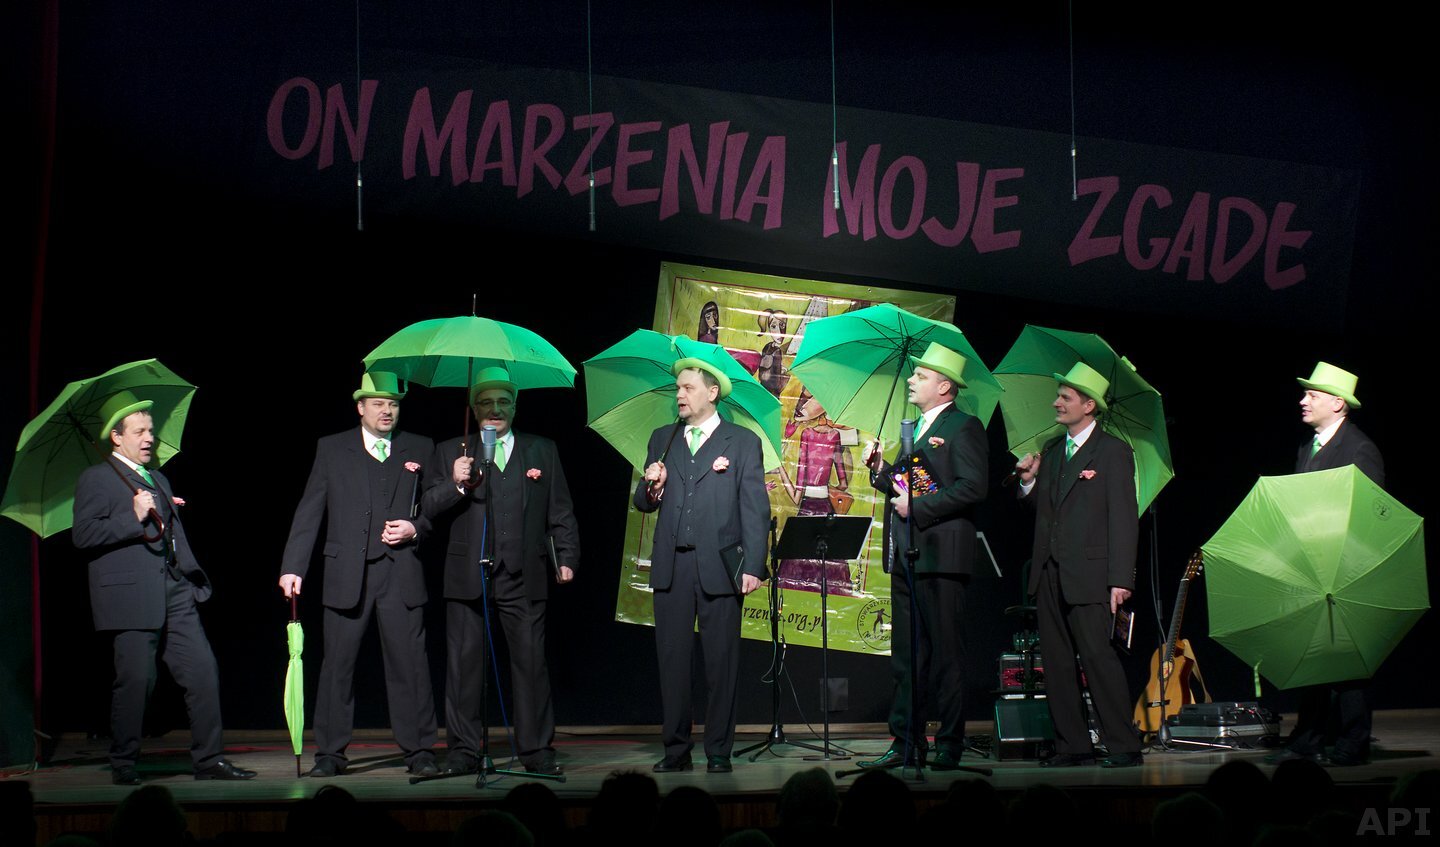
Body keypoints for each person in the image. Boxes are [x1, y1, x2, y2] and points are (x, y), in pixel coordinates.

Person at [72, 392, 255, 784]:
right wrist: (133, 515)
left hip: (174, 588)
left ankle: (209, 760)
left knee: (203, 672)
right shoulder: (96, 478)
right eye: (139, 431)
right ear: (116, 437)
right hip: (131, 596)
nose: (148, 438)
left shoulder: (156, 478)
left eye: (150, 431)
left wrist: (165, 508)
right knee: (137, 681)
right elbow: (84, 535)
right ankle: (123, 762)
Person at [420, 367, 579, 776]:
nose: (495, 409)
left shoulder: (541, 450)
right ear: (474, 409)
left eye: (503, 402)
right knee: (464, 667)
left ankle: (536, 750)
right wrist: (456, 482)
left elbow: (560, 510)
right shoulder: (451, 451)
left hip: (524, 573)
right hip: (467, 574)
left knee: (531, 665)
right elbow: (428, 507)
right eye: (487, 403)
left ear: (515, 407)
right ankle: (463, 750)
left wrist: (566, 556)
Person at [278, 372, 438, 777]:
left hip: (401, 573)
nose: (387, 411)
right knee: (337, 667)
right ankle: (330, 754)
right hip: (347, 573)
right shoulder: (332, 448)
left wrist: (416, 527)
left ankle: (420, 750)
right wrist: (293, 566)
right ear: (360, 407)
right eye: (378, 403)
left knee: (410, 667)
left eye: (393, 404)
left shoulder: (420, 446)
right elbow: (310, 509)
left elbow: (435, 505)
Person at [856, 342, 987, 771]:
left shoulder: (964, 426)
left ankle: (949, 742)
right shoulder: (912, 430)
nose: (911, 380)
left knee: (946, 657)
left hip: (943, 557)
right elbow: (904, 489)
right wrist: (880, 470)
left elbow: (973, 487)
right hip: (908, 557)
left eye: (921, 376)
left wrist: (920, 507)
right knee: (906, 657)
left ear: (944, 386)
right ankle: (906, 742)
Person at [634, 358, 769, 774]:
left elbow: (755, 508)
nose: (679, 394)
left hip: (721, 567)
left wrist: (753, 565)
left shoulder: (741, 442)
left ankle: (718, 751)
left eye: (688, 388)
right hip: (673, 566)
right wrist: (652, 486)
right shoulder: (663, 438)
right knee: (673, 663)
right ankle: (675, 750)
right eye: (678, 388)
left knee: (721, 664)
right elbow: (642, 503)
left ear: (712, 393)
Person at [1014, 361, 1143, 768]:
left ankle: (1123, 745)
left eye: (1065, 397)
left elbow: (1124, 518)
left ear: (1089, 406)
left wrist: (1120, 578)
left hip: (1091, 574)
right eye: (1059, 396)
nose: (1057, 403)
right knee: (1056, 664)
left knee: (1098, 660)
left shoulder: (1113, 451)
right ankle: (1073, 745)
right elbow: (1044, 512)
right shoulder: (1053, 451)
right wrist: (1029, 481)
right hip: (1050, 572)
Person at [1267, 361, 1385, 767]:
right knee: (1315, 655)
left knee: (1347, 660)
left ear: (1337, 403)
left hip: (1344, 569)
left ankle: (1354, 740)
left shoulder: (1359, 449)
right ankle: (1309, 737)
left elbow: (1369, 515)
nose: (1304, 401)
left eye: (1312, 395)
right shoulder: (1308, 446)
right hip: (1312, 567)